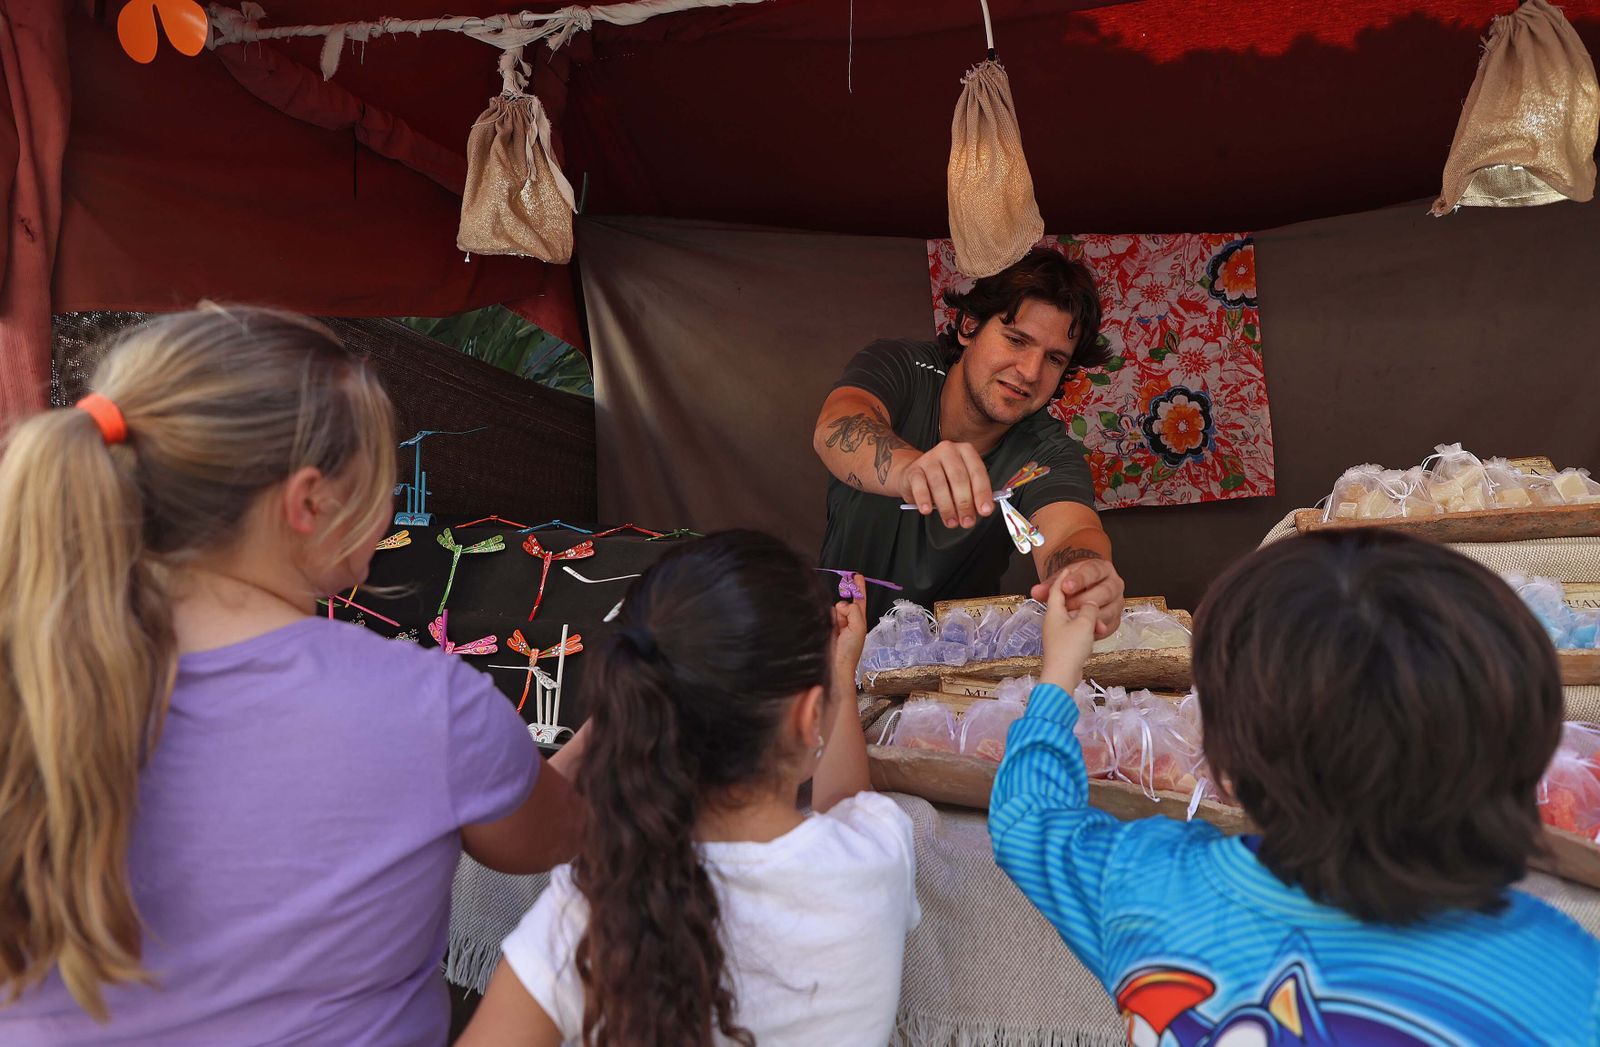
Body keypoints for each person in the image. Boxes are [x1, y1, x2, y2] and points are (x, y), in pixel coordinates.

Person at [0, 308, 582, 1045]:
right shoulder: (426, 706)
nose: (388, 510)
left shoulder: (24, 682)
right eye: (381, 478)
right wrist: (627, 730)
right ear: (309, 502)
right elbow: (559, 834)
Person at [992, 530, 1599, 1044]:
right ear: (1524, 749)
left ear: (1225, 767)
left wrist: (1061, 670)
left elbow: (1027, 816)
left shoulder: (1146, 886)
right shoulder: (1567, 983)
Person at [457, 533, 919, 1047]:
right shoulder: (877, 857)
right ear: (810, 717)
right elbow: (846, 807)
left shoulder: (591, 913)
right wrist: (840, 668)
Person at [814, 247, 1125, 633]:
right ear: (968, 326)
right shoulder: (901, 367)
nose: (1029, 372)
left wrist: (1087, 577)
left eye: (1054, 359)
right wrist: (912, 469)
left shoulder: (1047, 453)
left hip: (953, 668)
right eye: (1016, 340)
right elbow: (837, 425)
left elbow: (1071, 532)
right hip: (832, 641)